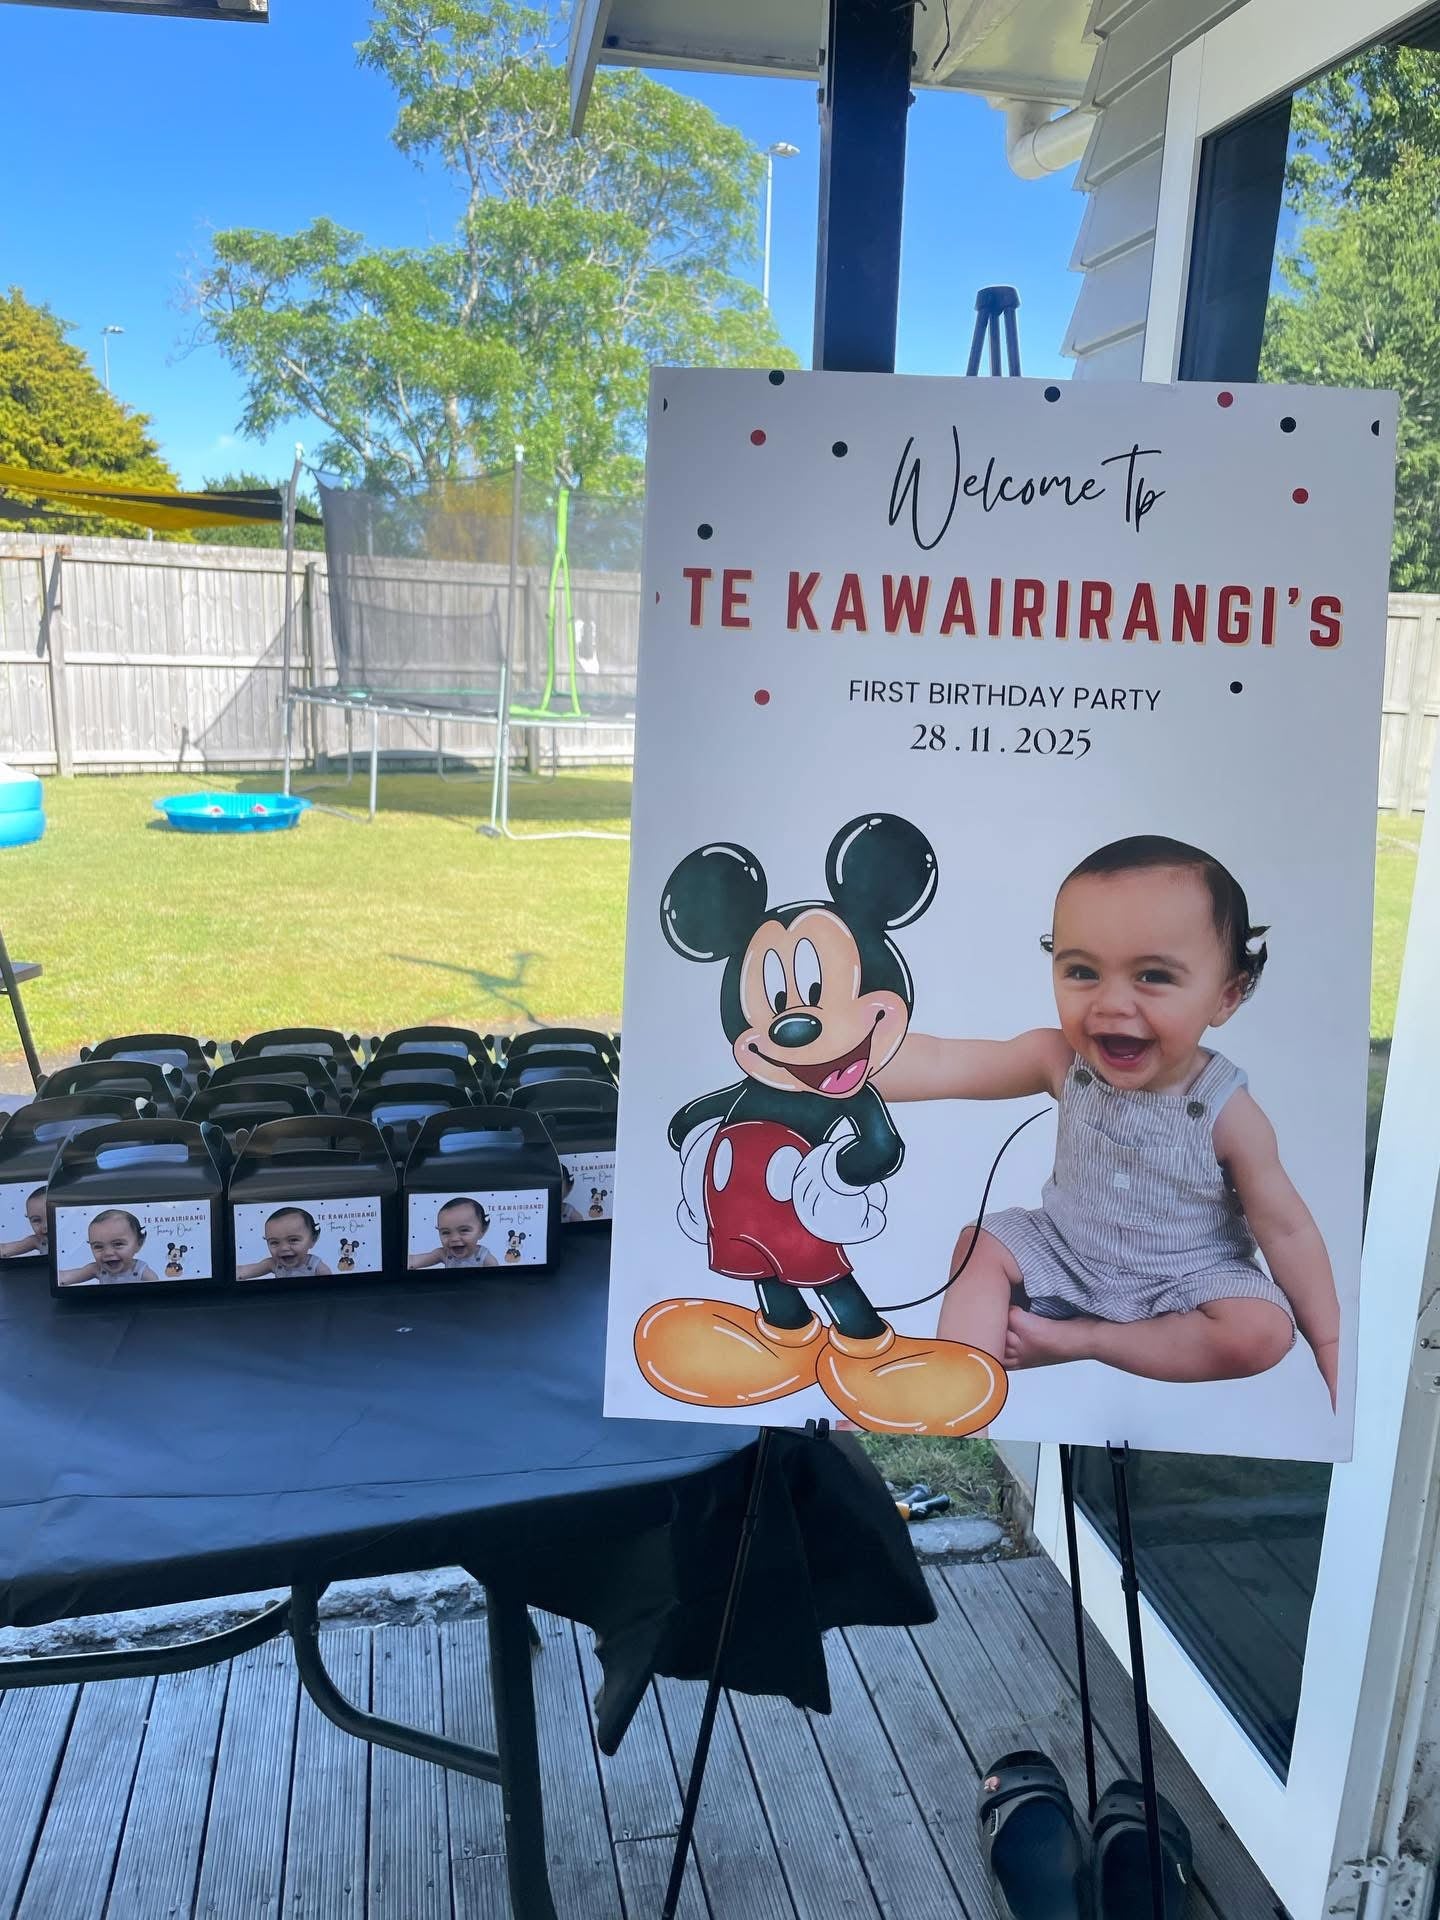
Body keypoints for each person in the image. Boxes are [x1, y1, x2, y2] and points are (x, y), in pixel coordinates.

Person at [878, 835, 1339, 1406]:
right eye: (1081, 972)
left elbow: (1287, 1229)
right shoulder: (1061, 1061)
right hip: (1065, 1249)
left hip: (1186, 1277)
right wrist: (840, 1065)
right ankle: (946, 1391)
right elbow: (947, 1062)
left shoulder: (1227, 1113)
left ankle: (1082, 1339)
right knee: (982, 1245)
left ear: (1226, 996)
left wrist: (1330, 1341)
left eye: (1153, 976)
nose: (1111, 1003)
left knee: (1263, 1333)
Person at [58, 1208, 162, 1287]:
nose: (108, 1253)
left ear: (138, 1244)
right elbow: (64, 1277)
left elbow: (159, 1291)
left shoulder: (141, 1271)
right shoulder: (97, 1269)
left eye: (118, 1244)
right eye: (98, 1246)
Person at [237, 1206, 333, 1281]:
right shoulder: (273, 1264)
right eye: (274, 1242)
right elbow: (242, 1272)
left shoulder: (316, 1266)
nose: (283, 1248)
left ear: (313, 1240)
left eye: (293, 1240)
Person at [408, 1196, 500, 1269]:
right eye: (446, 1232)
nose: (454, 1238)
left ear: (482, 1231)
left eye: (464, 1230)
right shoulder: (443, 1254)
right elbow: (412, 1261)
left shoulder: (485, 1259)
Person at [0, 1184, 47, 1258]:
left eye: (51, 1218)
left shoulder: (71, 1238)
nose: (45, 1227)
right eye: (36, 1220)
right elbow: (4, 1249)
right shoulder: (38, 1241)